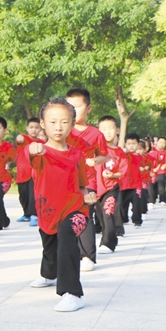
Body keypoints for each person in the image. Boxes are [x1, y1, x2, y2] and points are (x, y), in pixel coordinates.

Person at [28, 98, 96, 312]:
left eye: (65, 122)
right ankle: (49, 275)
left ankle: (72, 294)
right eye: (53, 122)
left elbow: (83, 185)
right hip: (48, 211)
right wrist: (33, 149)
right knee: (49, 245)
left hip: (76, 210)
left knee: (66, 236)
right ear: (42, 123)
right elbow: (30, 154)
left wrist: (88, 196)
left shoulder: (77, 155)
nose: (59, 127)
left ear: (73, 123)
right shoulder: (39, 152)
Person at [65, 88, 107, 272]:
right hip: (66, 181)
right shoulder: (62, 131)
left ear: (88, 108)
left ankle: (88, 256)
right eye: (69, 106)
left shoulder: (96, 134)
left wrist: (95, 161)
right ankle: (70, 252)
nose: (72, 110)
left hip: (88, 181)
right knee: (68, 215)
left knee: (86, 214)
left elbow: (104, 155)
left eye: (77, 106)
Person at [94, 116, 127, 255]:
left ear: (117, 130)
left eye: (110, 128)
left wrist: (112, 175)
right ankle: (106, 236)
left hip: (111, 188)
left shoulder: (119, 152)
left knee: (108, 213)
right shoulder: (95, 149)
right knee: (100, 216)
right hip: (95, 189)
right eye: (103, 129)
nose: (107, 132)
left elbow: (122, 172)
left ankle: (108, 243)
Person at [15, 118, 43, 227]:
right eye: (31, 127)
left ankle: (34, 215)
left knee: (33, 195)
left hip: (35, 173)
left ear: (40, 129)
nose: (34, 130)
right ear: (27, 128)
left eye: (36, 127)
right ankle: (26, 214)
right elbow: (19, 139)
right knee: (23, 195)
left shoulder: (42, 143)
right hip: (22, 174)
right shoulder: (24, 139)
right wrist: (19, 138)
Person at [120, 133, 144, 228]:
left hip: (136, 184)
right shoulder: (124, 155)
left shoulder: (140, 157)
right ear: (125, 144)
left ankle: (137, 220)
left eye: (134, 143)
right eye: (129, 144)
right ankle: (124, 219)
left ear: (138, 144)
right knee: (123, 204)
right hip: (124, 184)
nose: (131, 146)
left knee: (137, 203)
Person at [150, 137, 166, 206]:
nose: (162, 144)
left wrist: (165, 165)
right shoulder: (152, 152)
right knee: (152, 185)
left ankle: (162, 200)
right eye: (160, 142)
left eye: (164, 143)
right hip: (153, 170)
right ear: (157, 143)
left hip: (161, 171)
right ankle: (151, 200)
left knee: (161, 184)